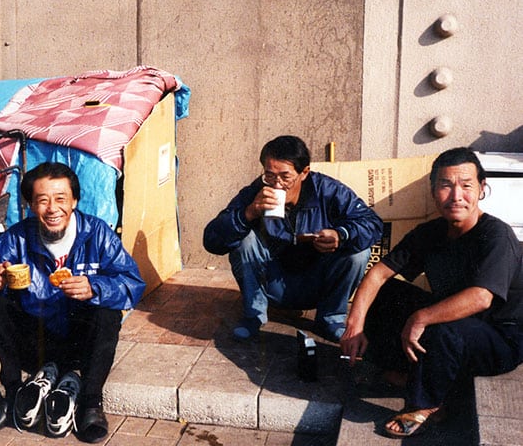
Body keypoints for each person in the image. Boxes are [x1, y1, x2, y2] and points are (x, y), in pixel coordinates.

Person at [340, 147, 523, 438]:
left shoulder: (496, 235)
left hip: (500, 337)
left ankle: (427, 404)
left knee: (441, 326)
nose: (456, 196)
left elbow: (481, 297)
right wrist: (354, 325)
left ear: (482, 189)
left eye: (466, 185)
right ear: (433, 190)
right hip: (454, 326)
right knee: (389, 292)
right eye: (445, 185)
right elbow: (377, 274)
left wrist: (420, 318)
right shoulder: (430, 233)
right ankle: (398, 370)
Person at [0, 162, 145, 443]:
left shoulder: (97, 234)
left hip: (80, 343)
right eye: (42, 200)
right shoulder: (16, 239)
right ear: (31, 205)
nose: (52, 208)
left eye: (61, 199)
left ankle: (91, 403)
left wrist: (94, 287)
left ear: (74, 201)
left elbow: (133, 285)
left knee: (107, 312)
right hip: (33, 341)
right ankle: (14, 394)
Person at [203, 135, 383, 343]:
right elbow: (211, 240)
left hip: (317, 281)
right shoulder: (255, 192)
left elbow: (372, 223)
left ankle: (331, 318)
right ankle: (254, 315)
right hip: (274, 282)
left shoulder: (328, 190)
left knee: (358, 252)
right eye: (269, 176)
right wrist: (249, 213)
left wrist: (340, 235)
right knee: (244, 240)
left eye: (285, 177)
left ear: (304, 172)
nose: (277, 184)